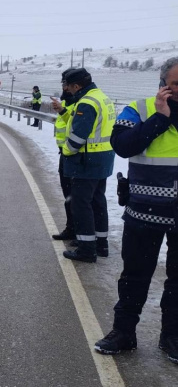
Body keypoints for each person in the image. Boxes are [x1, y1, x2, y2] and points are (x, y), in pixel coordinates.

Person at [93, 57, 178, 364]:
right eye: (176, 83)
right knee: (135, 275)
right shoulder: (138, 109)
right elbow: (123, 146)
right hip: (145, 211)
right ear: (163, 83)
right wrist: (160, 118)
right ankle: (124, 332)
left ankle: (172, 337)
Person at [60, 68, 115, 262]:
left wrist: (66, 151)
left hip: (87, 161)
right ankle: (101, 245)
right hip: (103, 158)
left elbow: (78, 137)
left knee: (81, 205)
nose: (67, 89)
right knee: (98, 201)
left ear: (76, 86)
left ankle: (86, 249)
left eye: (69, 86)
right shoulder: (102, 97)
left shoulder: (86, 102)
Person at [51, 72, 76, 241]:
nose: (64, 87)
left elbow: (76, 126)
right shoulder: (66, 102)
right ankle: (71, 228)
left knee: (77, 198)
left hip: (76, 155)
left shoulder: (81, 104)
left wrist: (63, 111)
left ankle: (82, 233)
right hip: (65, 153)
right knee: (68, 196)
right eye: (63, 84)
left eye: (66, 84)